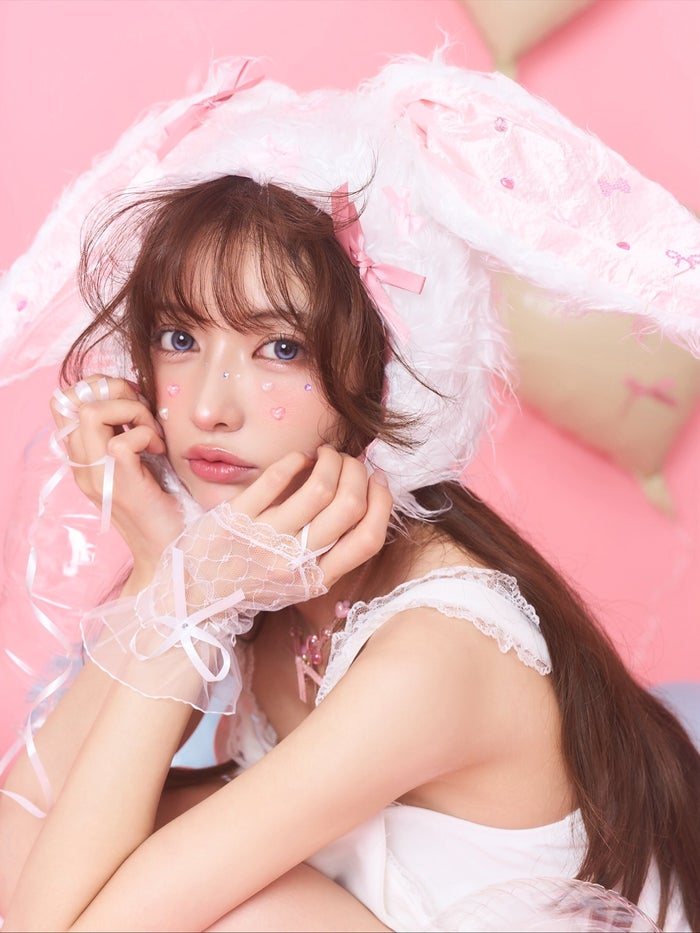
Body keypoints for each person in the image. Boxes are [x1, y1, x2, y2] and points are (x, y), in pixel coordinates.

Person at [0, 55, 699, 933]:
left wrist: (188, 596)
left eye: (280, 348)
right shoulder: (265, 577)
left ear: (385, 374)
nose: (209, 407)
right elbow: (17, 846)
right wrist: (160, 564)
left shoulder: (431, 653)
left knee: (239, 908)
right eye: (179, 336)